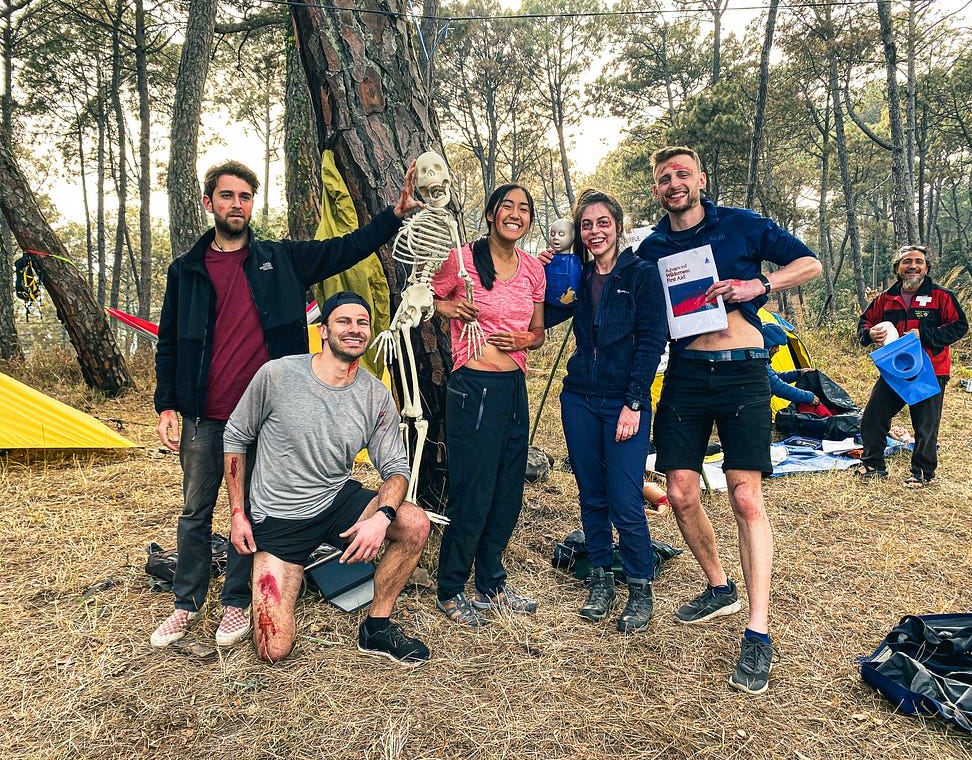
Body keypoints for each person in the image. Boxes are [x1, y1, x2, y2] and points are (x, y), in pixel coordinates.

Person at [151, 159, 420, 648]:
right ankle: (185, 603)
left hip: (270, 417)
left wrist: (393, 217)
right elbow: (169, 340)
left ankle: (235, 603)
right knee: (196, 509)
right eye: (227, 196)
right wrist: (166, 403)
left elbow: (344, 249)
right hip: (207, 413)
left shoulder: (280, 258)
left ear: (253, 204)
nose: (237, 204)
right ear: (208, 202)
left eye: (245, 197)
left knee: (252, 510)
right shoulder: (186, 270)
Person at [636, 146, 821, 695]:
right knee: (681, 491)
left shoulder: (741, 226)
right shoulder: (651, 248)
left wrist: (757, 287)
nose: (674, 183)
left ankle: (758, 632)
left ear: (701, 179)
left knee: (745, 498)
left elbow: (809, 263)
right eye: (665, 177)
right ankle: (720, 587)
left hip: (743, 370)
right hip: (686, 375)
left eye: (683, 175)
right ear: (657, 190)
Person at [222, 291, 431, 665]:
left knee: (414, 522)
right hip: (279, 516)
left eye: (362, 323)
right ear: (323, 330)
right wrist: (238, 512)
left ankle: (377, 629)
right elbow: (235, 438)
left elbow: (396, 469)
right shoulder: (278, 375)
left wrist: (381, 519)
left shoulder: (374, 394)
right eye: (344, 321)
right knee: (274, 649)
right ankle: (289, 572)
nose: (355, 329)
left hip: (335, 501)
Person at [550, 189, 667, 633]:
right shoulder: (576, 276)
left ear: (618, 225)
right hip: (579, 397)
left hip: (624, 402)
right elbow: (548, 309)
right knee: (591, 493)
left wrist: (634, 402)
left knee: (624, 497)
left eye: (602, 222)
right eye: (586, 225)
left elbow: (653, 341)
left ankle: (640, 585)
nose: (595, 231)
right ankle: (601, 577)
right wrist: (546, 267)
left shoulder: (641, 274)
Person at [431, 183, 546, 627]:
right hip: (473, 386)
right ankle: (450, 587)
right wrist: (450, 307)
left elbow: (538, 333)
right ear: (492, 213)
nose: (515, 214)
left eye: (524, 209)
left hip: (514, 387)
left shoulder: (533, 269)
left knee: (507, 489)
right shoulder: (461, 260)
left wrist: (524, 340)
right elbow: (425, 300)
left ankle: (491, 582)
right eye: (507, 207)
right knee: (473, 490)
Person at [854, 245, 967, 488]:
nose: (913, 266)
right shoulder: (885, 298)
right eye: (907, 261)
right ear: (897, 268)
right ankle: (873, 464)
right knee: (873, 416)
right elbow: (864, 323)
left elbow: (959, 326)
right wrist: (869, 333)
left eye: (919, 261)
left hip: (931, 369)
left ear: (926, 268)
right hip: (894, 371)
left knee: (925, 424)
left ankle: (922, 472)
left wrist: (924, 334)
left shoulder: (941, 296)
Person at [760, 323, 820, 407]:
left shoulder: (761, 361)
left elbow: (774, 377)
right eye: (776, 346)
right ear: (767, 344)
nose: (777, 350)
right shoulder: (758, 363)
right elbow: (777, 386)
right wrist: (808, 397)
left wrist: (799, 373)